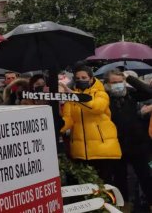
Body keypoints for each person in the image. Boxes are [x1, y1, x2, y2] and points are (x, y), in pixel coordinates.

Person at [60, 65, 121, 183]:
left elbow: (96, 108)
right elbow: (68, 119)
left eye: (84, 77)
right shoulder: (72, 97)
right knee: (87, 188)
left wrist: (74, 96)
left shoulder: (101, 94)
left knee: (104, 186)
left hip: (103, 149)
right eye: (77, 78)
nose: (81, 80)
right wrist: (58, 125)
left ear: (91, 79)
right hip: (80, 151)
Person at [104, 69, 152, 206]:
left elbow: (149, 92)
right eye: (114, 82)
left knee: (146, 177)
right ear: (107, 83)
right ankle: (123, 205)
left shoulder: (131, 94)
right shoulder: (104, 97)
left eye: (120, 82)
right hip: (116, 145)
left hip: (139, 144)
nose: (118, 85)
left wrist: (130, 78)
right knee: (119, 179)